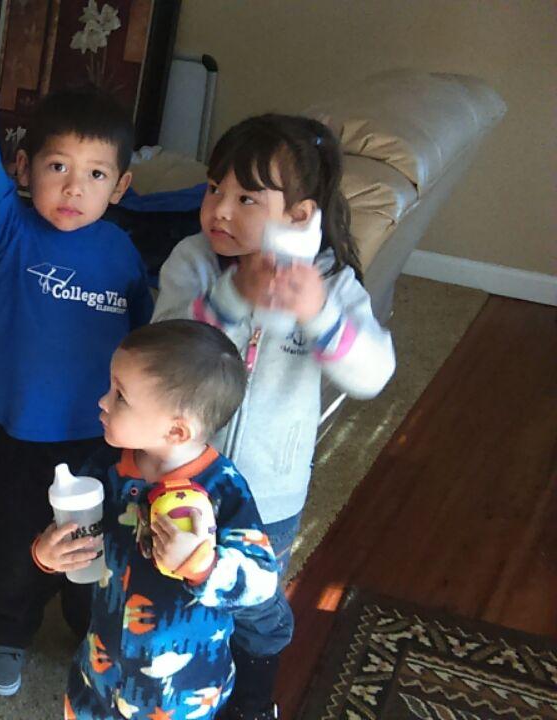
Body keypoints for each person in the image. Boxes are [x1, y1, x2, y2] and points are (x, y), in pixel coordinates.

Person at [152, 114, 396, 719]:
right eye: (214, 189)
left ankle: (254, 700)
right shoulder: (193, 261)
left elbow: (372, 376)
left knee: (253, 602)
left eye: (245, 198)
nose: (220, 210)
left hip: (269, 491)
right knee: (172, 582)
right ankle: (170, 682)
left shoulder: (331, 285)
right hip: (182, 472)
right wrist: (235, 295)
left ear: (299, 216)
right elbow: (166, 349)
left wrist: (319, 315)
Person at [0, 4, 154, 696]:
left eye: (96, 175)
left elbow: (148, 344)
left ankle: (86, 623)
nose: (73, 187)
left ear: (121, 187)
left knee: (98, 544)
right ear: (25, 168)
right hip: (19, 433)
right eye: (58, 166)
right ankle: (7, 629)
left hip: (103, 435)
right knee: (15, 539)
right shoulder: (11, 237)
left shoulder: (124, 255)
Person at [34, 320, 279, 719]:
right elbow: (71, 533)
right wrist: (48, 552)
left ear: (177, 430)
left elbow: (261, 584)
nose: (102, 401)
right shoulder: (105, 468)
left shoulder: (223, 489)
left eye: (120, 397)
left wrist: (204, 564)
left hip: (180, 693)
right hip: (97, 674)